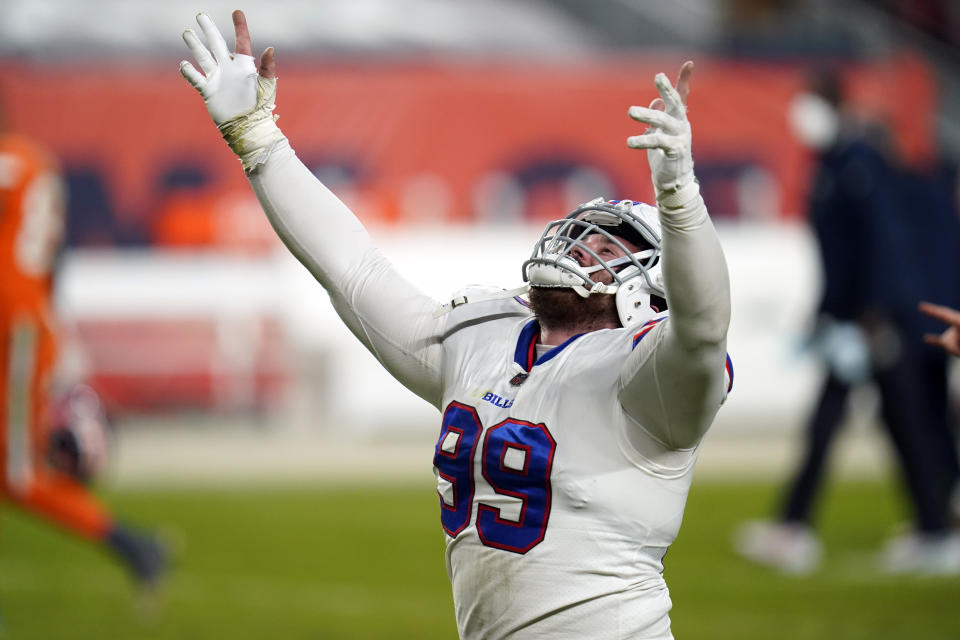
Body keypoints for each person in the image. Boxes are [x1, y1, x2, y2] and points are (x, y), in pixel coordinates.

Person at [180, 10, 731, 638]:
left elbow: (703, 326)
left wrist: (681, 198)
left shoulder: (652, 384)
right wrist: (257, 139)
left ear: (650, 293)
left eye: (610, 248)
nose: (581, 248)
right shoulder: (485, 341)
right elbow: (353, 271)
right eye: (582, 234)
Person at [734, 68, 960, 575]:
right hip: (857, 319)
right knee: (896, 422)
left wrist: (872, 314)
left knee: (875, 421)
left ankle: (799, 527)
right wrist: (826, 315)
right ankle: (931, 529)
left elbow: (880, 244)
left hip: (874, 320)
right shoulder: (834, 164)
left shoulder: (857, 164)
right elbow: (842, 255)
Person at [0, 101, 167, 590]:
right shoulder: (36, 162)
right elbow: (56, 257)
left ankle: (128, 542)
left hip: (15, 328)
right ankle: (131, 543)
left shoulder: (13, 162)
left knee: (17, 474)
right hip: (28, 321)